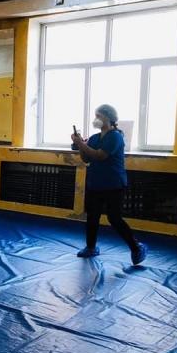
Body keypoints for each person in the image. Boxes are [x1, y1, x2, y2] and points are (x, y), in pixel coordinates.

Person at [70, 104, 148, 265]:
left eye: (99, 116)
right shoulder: (94, 138)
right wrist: (80, 145)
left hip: (114, 184)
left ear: (109, 118)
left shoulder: (115, 137)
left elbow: (100, 155)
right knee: (92, 216)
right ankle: (91, 247)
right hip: (96, 183)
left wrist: (81, 144)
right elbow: (86, 158)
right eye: (95, 115)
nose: (96, 119)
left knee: (114, 218)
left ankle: (136, 247)